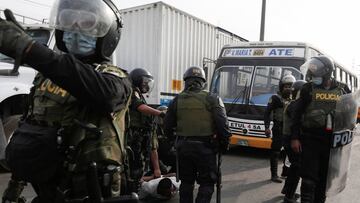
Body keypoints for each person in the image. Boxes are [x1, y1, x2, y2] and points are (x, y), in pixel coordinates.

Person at [0, 0, 134, 202]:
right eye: (68, 21)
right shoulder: (45, 78)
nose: (74, 28)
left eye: (87, 22)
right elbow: (29, 126)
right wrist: (15, 185)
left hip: (90, 190)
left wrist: (31, 50)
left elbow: (103, 95)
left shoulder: (114, 79)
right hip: (48, 186)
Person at [164, 66, 231, 203]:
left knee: (187, 182)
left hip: (183, 148)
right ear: (202, 82)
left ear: (186, 81)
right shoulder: (212, 98)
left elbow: (167, 126)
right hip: (205, 148)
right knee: (207, 183)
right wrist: (224, 144)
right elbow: (223, 124)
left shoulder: (176, 100)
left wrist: (174, 142)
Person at [290, 56, 351, 203]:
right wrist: (294, 137)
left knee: (324, 180)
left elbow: (352, 112)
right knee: (308, 179)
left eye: (316, 75)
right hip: (311, 138)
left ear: (327, 73)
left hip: (333, 143)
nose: (312, 77)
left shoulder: (342, 89)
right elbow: (296, 113)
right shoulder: (307, 88)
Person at [127, 68, 165, 193]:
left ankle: (134, 190)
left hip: (138, 137)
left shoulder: (138, 93)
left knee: (138, 169)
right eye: (145, 82)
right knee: (134, 169)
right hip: (132, 137)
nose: (147, 85)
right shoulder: (132, 92)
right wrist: (159, 113)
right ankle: (131, 193)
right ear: (137, 81)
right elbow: (140, 107)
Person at [264, 74, 296, 183]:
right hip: (278, 127)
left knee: (290, 153)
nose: (288, 88)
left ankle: (285, 172)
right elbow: (267, 113)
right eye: (286, 86)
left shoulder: (295, 100)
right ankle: (274, 175)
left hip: (290, 130)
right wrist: (267, 127)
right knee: (275, 152)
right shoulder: (275, 98)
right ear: (281, 87)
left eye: (290, 86)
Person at [281, 80, 306, 203]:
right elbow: (298, 123)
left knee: (293, 167)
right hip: (290, 140)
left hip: (288, 139)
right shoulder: (295, 105)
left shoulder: (292, 103)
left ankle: (287, 191)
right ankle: (289, 196)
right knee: (296, 168)